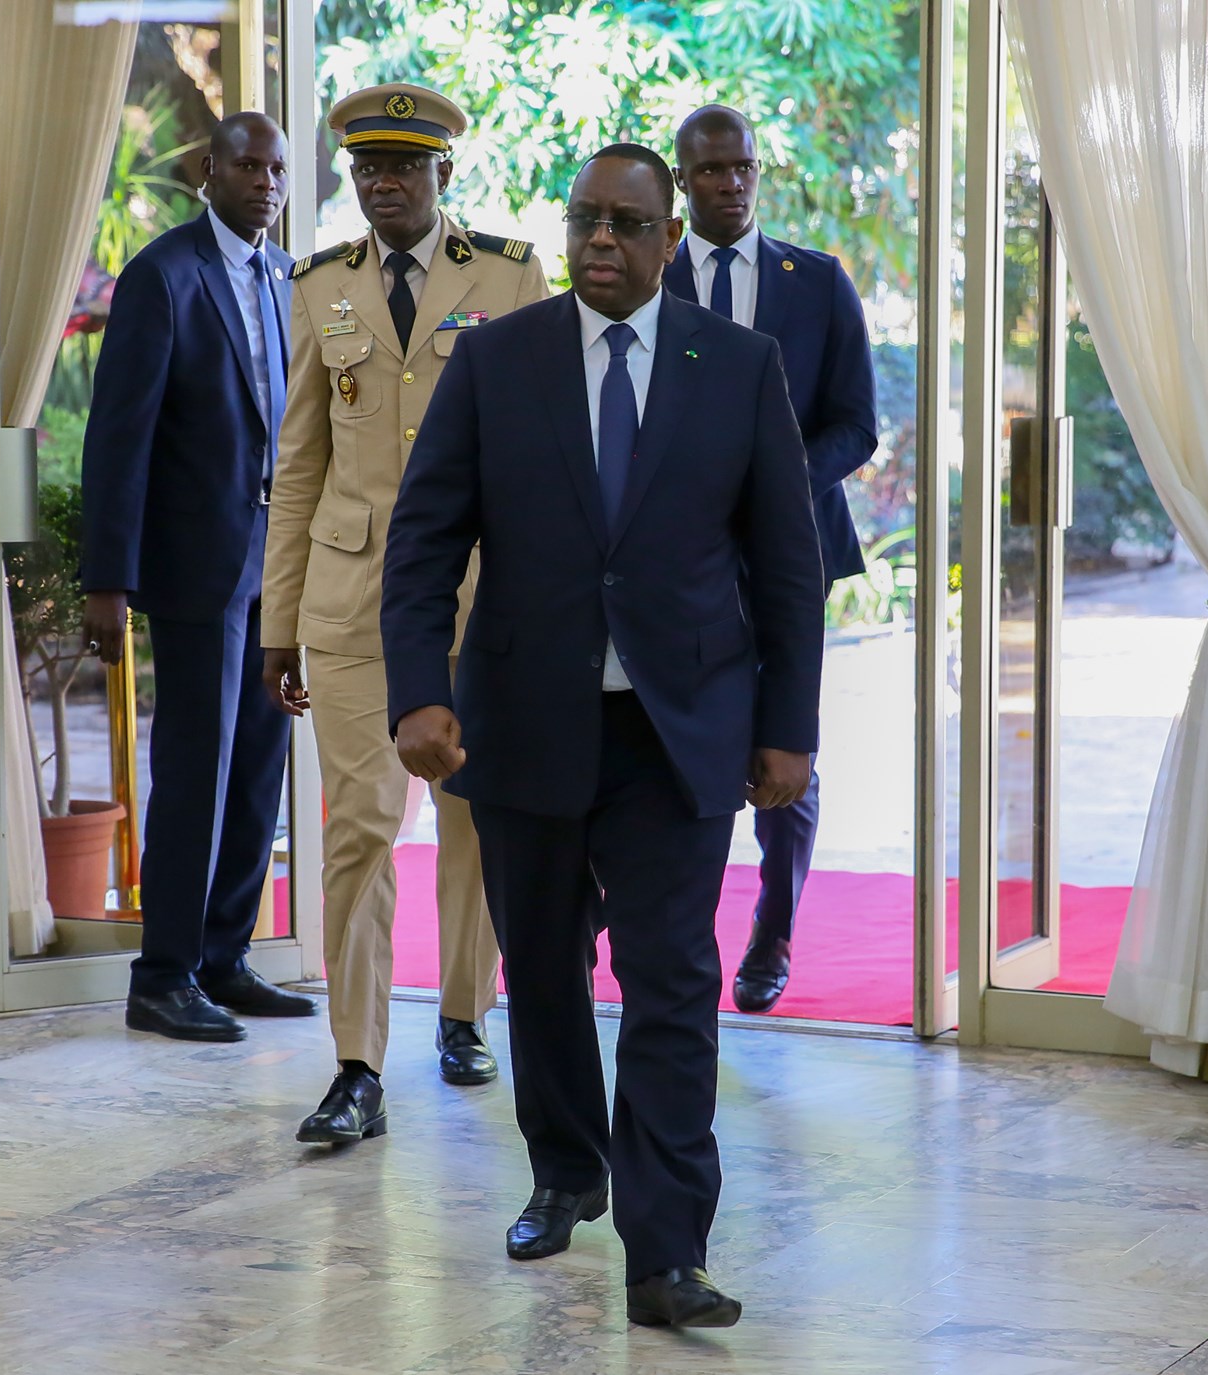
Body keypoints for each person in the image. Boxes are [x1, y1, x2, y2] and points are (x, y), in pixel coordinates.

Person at [381, 143, 825, 1328]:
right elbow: (424, 540)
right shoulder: (498, 362)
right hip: (523, 723)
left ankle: (665, 1250)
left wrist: (787, 729)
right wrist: (417, 692)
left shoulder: (737, 365)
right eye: (584, 218)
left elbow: (788, 566)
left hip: (678, 733)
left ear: (668, 239)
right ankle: (566, 1166)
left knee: (672, 979)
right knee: (542, 968)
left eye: (628, 223)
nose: (599, 241)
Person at [259, 84, 547, 1143]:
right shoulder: (319, 287)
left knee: (470, 820)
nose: (382, 184)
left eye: (403, 167)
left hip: (473, 598)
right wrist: (274, 617)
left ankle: (465, 1014)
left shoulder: (509, 276)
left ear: (443, 175)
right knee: (358, 831)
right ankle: (355, 1065)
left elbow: (541, 455)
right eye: (366, 168)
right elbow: (298, 465)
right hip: (350, 600)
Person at [80, 112, 316, 1042]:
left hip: (277, 568)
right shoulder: (162, 276)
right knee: (196, 771)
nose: (265, 180)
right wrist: (109, 577)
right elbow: (119, 436)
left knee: (260, 769)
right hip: (193, 571)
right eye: (248, 164)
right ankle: (163, 972)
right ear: (207, 170)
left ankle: (224, 955)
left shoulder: (290, 280)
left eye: (278, 168)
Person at [667, 104, 878, 1015]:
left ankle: (774, 926)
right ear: (683, 180)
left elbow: (856, 426)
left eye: (743, 167)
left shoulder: (818, 282)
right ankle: (668, 931)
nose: (730, 182)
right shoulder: (646, 275)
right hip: (676, 563)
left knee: (786, 749)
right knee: (681, 745)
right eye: (710, 170)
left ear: (761, 172)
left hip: (793, 560)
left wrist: (779, 486)